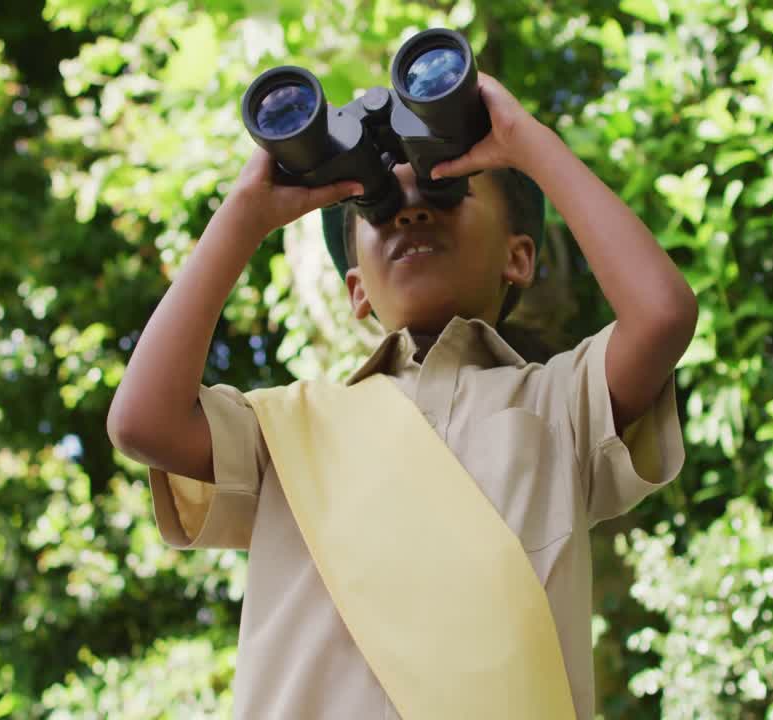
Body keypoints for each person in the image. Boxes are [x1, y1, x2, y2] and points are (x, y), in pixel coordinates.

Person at [106, 72, 697, 719]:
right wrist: (246, 213)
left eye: (447, 193)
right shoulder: (286, 429)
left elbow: (661, 316)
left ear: (518, 257)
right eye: (379, 209)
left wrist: (527, 142)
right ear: (357, 290)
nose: (411, 211)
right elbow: (143, 422)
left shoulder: (560, 404)